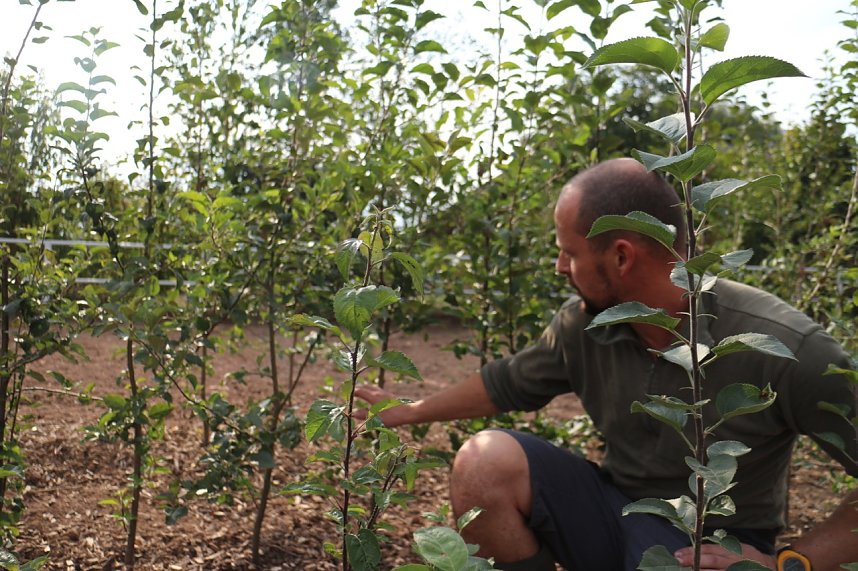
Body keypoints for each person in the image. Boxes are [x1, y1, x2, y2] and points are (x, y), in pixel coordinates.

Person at [355, 158, 858, 570]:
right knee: (483, 462)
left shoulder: (783, 345)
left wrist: (788, 565)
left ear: (621, 257)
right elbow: (507, 384)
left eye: (567, 253)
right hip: (616, 507)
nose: (559, 268)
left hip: (707, 543)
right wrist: (410, 410)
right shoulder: (586, 324)